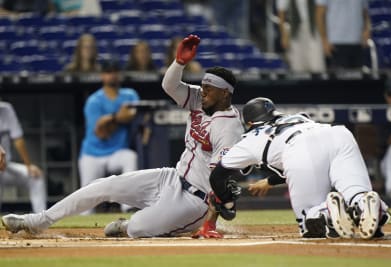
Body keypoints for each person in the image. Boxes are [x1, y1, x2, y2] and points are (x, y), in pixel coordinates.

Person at [1, 34, 244, 238]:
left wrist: (212, 218)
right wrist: (179, 62)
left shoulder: (230, 127)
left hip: (195, 201)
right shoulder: (200, 99)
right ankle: (38, 220)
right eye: (203, 87)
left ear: (225, 95)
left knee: (138, 227)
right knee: (103, 185)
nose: (203, 93)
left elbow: (220, 178)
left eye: (209, 90)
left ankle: (132, 226)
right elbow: (170, 86)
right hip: (171, 177)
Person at [196, 97, 391, 240]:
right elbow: (300, 165)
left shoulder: (251, 138)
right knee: (356, 191)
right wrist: (270, 181)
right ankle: (367, 204)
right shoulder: (298, 118)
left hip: (299, 147)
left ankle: (326, 211)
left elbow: (219, 175)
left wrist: (225, 201)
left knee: (309, 224)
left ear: (249, 122)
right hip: (337, 134)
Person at [79, 60, 139, 214]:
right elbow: (101, 133)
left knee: (130, 157)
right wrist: (117, 117)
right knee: (87, 197)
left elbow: (132, 116)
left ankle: (128, 207)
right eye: (108, 72)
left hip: (117, 152)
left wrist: (109, 120)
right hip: (92, 154)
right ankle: (83, 223)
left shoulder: (130, 94)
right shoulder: (94, 100)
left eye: (114, 72)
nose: (112, 76)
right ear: (102, 76)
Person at [0, 101, 46, 213]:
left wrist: (28, 166)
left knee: (35, 177)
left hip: (6, 166)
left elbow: (18, 139)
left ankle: (40, 219)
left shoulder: (6, 109)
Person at [316, 0, 370, 70]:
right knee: (339, 79)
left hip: (358, 42)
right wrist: (324, 40)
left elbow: (365, 12)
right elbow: (319, 13)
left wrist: (367, 30)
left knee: (358, 78)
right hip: (335, 43)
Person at [277, 0, 325, 73]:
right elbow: (281, 12)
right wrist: (284, 35)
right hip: (295, 30)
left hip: (314, 29)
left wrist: (324, 38)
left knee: (316, 65)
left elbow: (321, 9)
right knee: (298, 66)